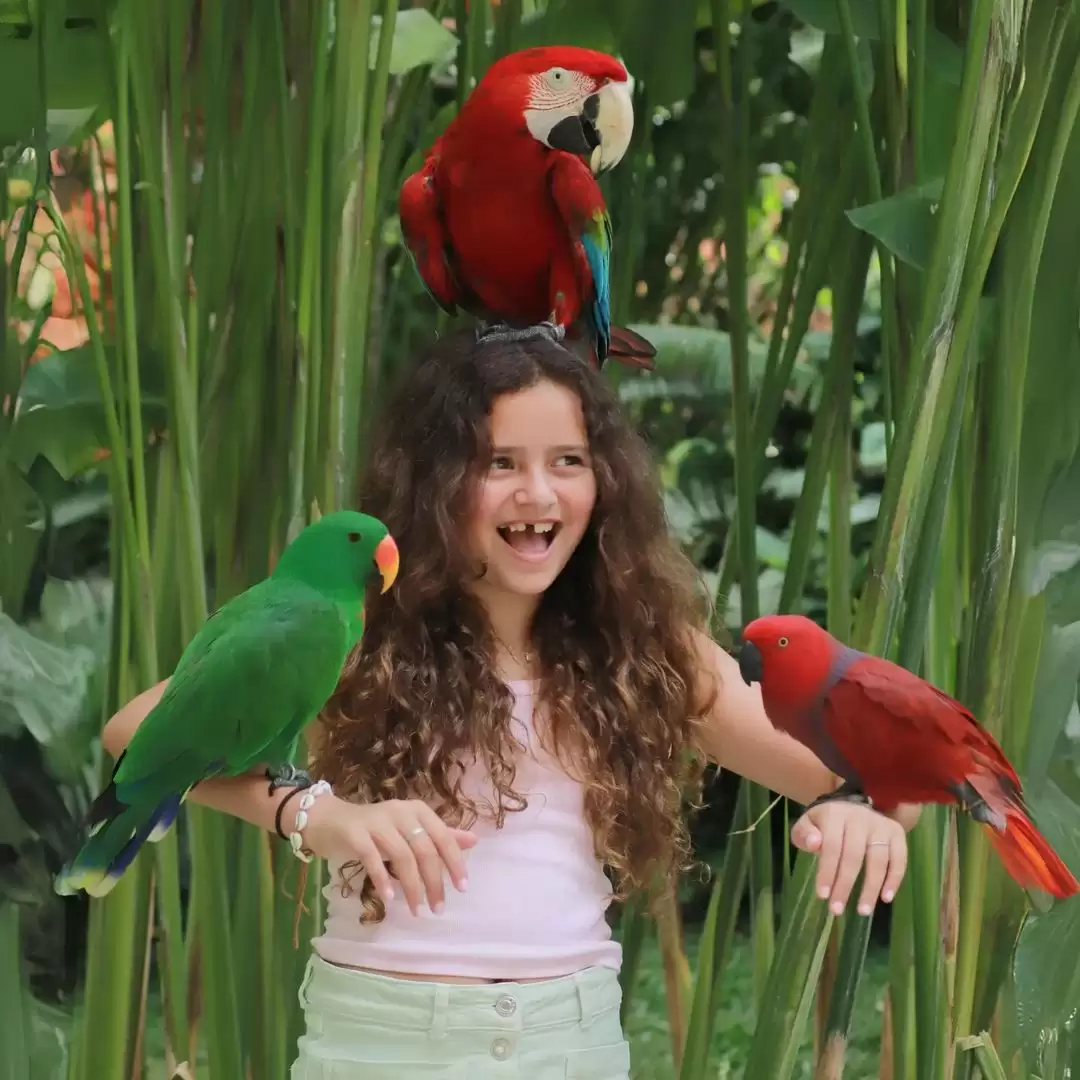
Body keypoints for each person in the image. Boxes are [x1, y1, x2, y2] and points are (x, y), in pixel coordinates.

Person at [102, 325, 918, 1079]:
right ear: (435, 484)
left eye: (567, 461)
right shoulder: (348, 629)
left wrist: (862, 808)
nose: (538, 493)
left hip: (568, 1042)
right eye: (499, 464)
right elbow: (132, 732)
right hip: (380, 1041)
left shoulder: (649, 647)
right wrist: (320, 817)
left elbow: (885, 782)